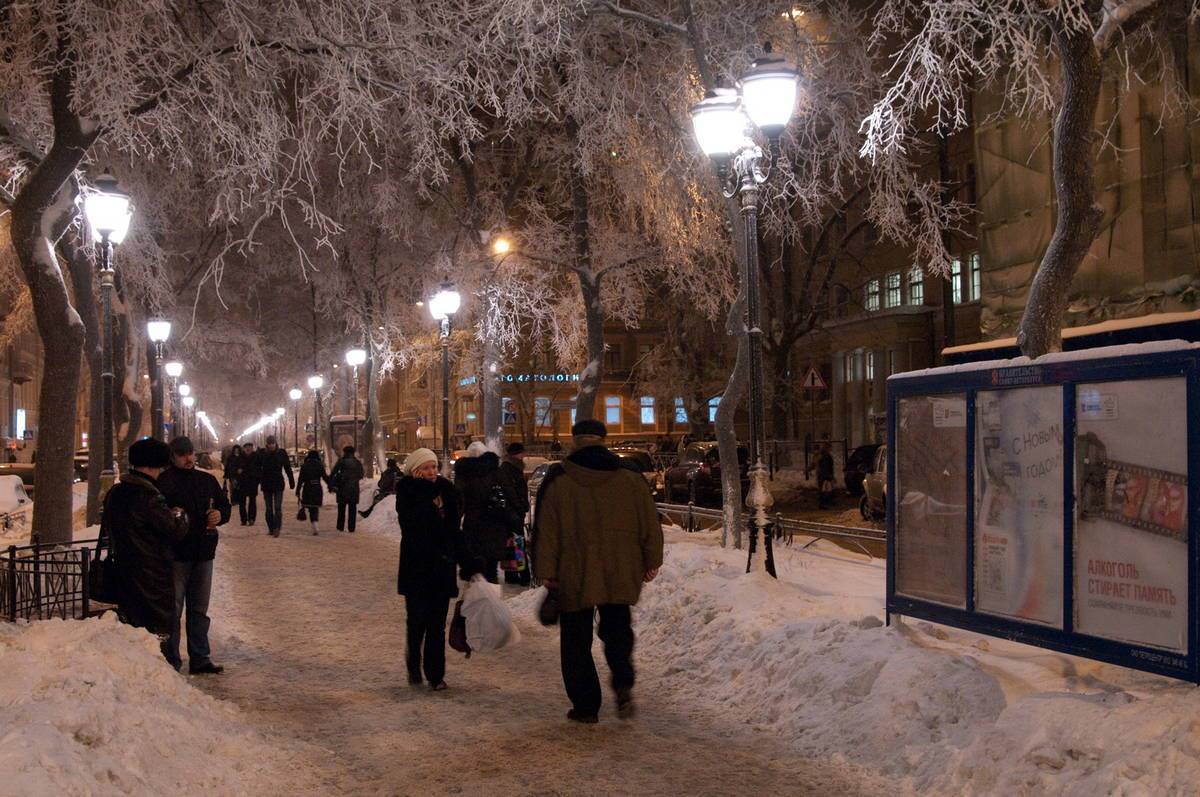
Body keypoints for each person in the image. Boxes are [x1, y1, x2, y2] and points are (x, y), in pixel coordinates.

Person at [533, 420, 663, 724]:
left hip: (573, 571)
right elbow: (649, 523)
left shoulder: (559, 479)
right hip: (621, 567)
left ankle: (586, 705)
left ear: (574, 441)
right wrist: (651, 560)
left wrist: (547, 571)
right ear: (603, 440)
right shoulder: (630, 478)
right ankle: (622, 682)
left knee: (576, 639)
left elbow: (546, 530)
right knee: (617, 629)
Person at [101, 437, 190, 663]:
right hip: (151, 575)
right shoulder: (149, 497)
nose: (162, 471)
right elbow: (174, 530)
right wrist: (180, 514)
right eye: (160, 467)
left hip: (124, 572)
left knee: (133, 627)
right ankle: (166, 673)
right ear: (152, 466)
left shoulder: (117, 493)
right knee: (159, 631)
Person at [157, 436, 232, 674]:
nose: (188, 458)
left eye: (190, 453)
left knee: (199, 609)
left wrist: (220, 514)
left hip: (203, 551)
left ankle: (200, 657)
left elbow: (225, 506)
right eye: (182, 454)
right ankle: (171, 657)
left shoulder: (206, 480)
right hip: (177, 554)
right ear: (173, 456)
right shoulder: (164, 482)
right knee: (174, 608)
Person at [395, 448, 462, 691]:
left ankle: (436, 674)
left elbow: (454, 529)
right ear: (415, 471)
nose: (432, 472)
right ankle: (414, 662)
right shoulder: (408, 492)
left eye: (434, 467)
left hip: (442, 567)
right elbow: (412, 526)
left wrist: (465, 558)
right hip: (417, 566)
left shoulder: (447, 490)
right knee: (416, 622)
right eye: (426, 468)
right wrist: (430, 501)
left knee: (437, 624)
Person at [455, 441, 519, 583]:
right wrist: (516, 512)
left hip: (473, 524)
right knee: (491, 567)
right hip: (496, 524)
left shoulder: (465, 473)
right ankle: (491, 596)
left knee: (476, 567)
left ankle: (478, 596)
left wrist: (454, 520)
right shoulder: (496, 470)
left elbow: (460, 501)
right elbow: (510, 493)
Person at [497, 442, 531, 585]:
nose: (524, 455)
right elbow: (510, 491)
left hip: (512, 512)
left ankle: (512, 574)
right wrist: (521, 506)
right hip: (512, 513)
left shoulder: (512, 467)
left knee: (512, 544)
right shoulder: (508, 468)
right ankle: (522, 575)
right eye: (522, 452)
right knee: (517, 544)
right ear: (516, 454)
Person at [256, 435, 295, 537]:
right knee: (269, 508)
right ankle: (271, 528)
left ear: (275, 443)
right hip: (266, 484)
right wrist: (258, 479)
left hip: (278, 483)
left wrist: (291, 480)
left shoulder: (281, 453)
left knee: (277, 507)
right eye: (270, 444)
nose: (272, 445)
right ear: (267, 444)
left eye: (273, 443)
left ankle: (277, 528)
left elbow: (287, 467)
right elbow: (257, 467)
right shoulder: (262, 454)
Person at [328, 445, 365, 532]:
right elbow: (361, 474)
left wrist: (332, 484)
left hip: (342, 488)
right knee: (352, 509)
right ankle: (351, 528)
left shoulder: (341, 461)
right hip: (354, 489)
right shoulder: (357, 462)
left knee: (341, 509)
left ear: (345, 452)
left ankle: (340, 527)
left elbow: (333, 473)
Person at [296, 449, 327, 535]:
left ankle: (314, 525)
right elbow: (325, 477)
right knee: (315, 508)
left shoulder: (305, 466)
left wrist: (298, 490)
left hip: (308, 488)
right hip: (317, 488)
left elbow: (300, 480)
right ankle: (315, 524)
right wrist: (331, 485)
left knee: (310, 507)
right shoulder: (320, 465)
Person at [235, 442, 261, 526]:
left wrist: (257, 479)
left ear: (252, 448)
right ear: (244, 449)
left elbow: (259, 469)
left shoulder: (256, 457)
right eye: (246, 447)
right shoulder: (240, 458)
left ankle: (251, 518)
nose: (248, 449)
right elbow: (235, 468)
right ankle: (243, 519)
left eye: (250, 447)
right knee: (242, 502)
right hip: (242, 482)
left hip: (252, 482)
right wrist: (237, 472)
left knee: (252, 501)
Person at [807, 442, 835, 509]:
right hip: (824, 474)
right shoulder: (825, 455)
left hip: (822, 474)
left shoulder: (820, 455)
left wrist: (809, 469)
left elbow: (814, 464)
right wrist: (830, 475)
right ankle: (825, 503)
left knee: (824, 489)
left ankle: (824, 503)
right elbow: (827, 466)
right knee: (826, 489)